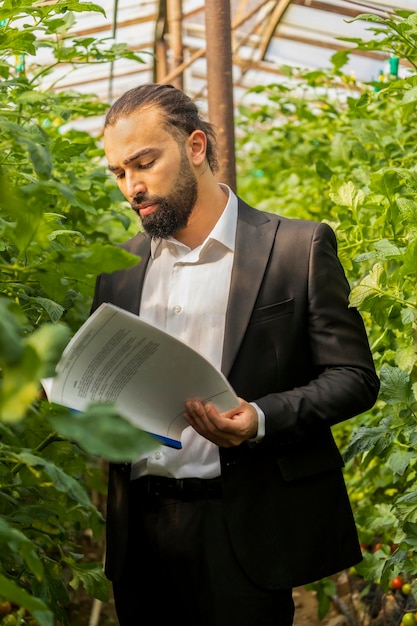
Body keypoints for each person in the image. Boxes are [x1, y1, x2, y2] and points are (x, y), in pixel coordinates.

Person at [91, 82, 380, 626]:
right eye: (118, 173)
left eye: (144, 162)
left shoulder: (295, 248)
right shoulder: (118, 267)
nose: (132, 186)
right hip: (141, 538)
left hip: (242, 528)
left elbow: (353, 376)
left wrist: (261, 419)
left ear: (195, 147)